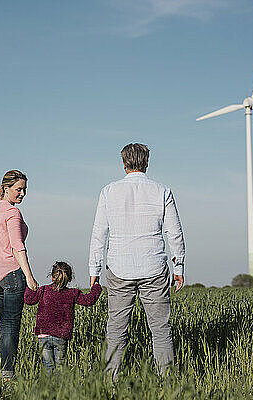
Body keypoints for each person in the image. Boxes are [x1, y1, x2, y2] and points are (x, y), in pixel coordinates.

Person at [88, 143, 186, 379]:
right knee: (161, 330)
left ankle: (110, 382)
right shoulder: (162, 190)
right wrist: (179, 266)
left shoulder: (109, 191)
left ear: (123, 164)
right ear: (147, 163)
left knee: (116, 330)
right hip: (154, 267)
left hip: (119, 268)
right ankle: (168, 382)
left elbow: (99, 232)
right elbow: (174, 232)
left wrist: (94, 269)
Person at [0, 169, 38, 380]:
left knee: (4, 324)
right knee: (11, 327)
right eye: (18, 189)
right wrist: (30, 277)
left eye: (24, 190)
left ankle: (2, 368)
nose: (22, 193)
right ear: (6, 188)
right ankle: (7, 375)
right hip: (12, 276)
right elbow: (17, 246)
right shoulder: (12, 213)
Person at [24, 261, 102, 374]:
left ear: (52, 277)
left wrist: (29, 285)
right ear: (70, 279)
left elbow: (29, 300)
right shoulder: (73, 293)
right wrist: (96, 287)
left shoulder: (43, 290)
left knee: (47, 367)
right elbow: (89, 300)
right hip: (61, 336)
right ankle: (61, 389)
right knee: (60, 367)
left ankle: (49, 390)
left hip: (43, 335)